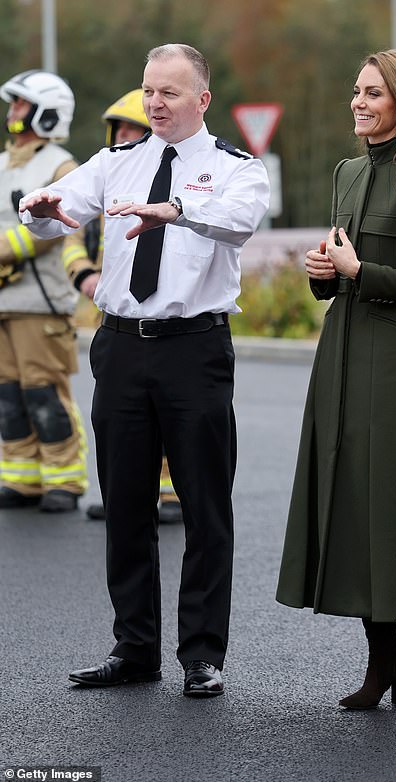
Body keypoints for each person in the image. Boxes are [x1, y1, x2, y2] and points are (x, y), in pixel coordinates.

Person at [20, 44, 270, 696]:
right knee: (125, 504)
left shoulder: (233, 167)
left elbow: (241, 222)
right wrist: (41, 211)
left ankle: (201, 656)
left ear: (202, 100)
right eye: (149, 90)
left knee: (204, 508)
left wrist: (178, 211)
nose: (155, 103)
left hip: (194, 350)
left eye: (170, 92)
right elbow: (53, 213)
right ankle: (134, 650)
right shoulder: (116, 162)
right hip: (123, 349)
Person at [276, 50, 396, 714]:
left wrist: (361, 274)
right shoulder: (348, 172)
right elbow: (338, 271)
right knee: (350, 499)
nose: (358, 103)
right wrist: (323, 274)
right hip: (340, 350)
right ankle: (384, 658)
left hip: (390, 359)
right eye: (355, 92)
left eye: (372, 94)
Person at [63, 88, 183, 524]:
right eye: (122, 130)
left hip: (164, 318)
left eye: (136, 129)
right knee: (121, 419)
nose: (127, 137)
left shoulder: (176, 180)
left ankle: (173, 495)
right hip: (113, 313)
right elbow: (73, 240)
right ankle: (129, 497)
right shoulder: (104, 180)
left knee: (168, 414)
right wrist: (85, 277)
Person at [0, 69, 88, 513]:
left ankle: (64, 478)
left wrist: (2, 248)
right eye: (12, 104)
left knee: (44, 391)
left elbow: (49, 227)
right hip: (4, 304)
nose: (12, 113)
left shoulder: (60, 165)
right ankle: (21, 476)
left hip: (41, 303)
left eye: (20, 104)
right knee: (8, 395)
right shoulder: (3, 162)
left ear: (46, 114)